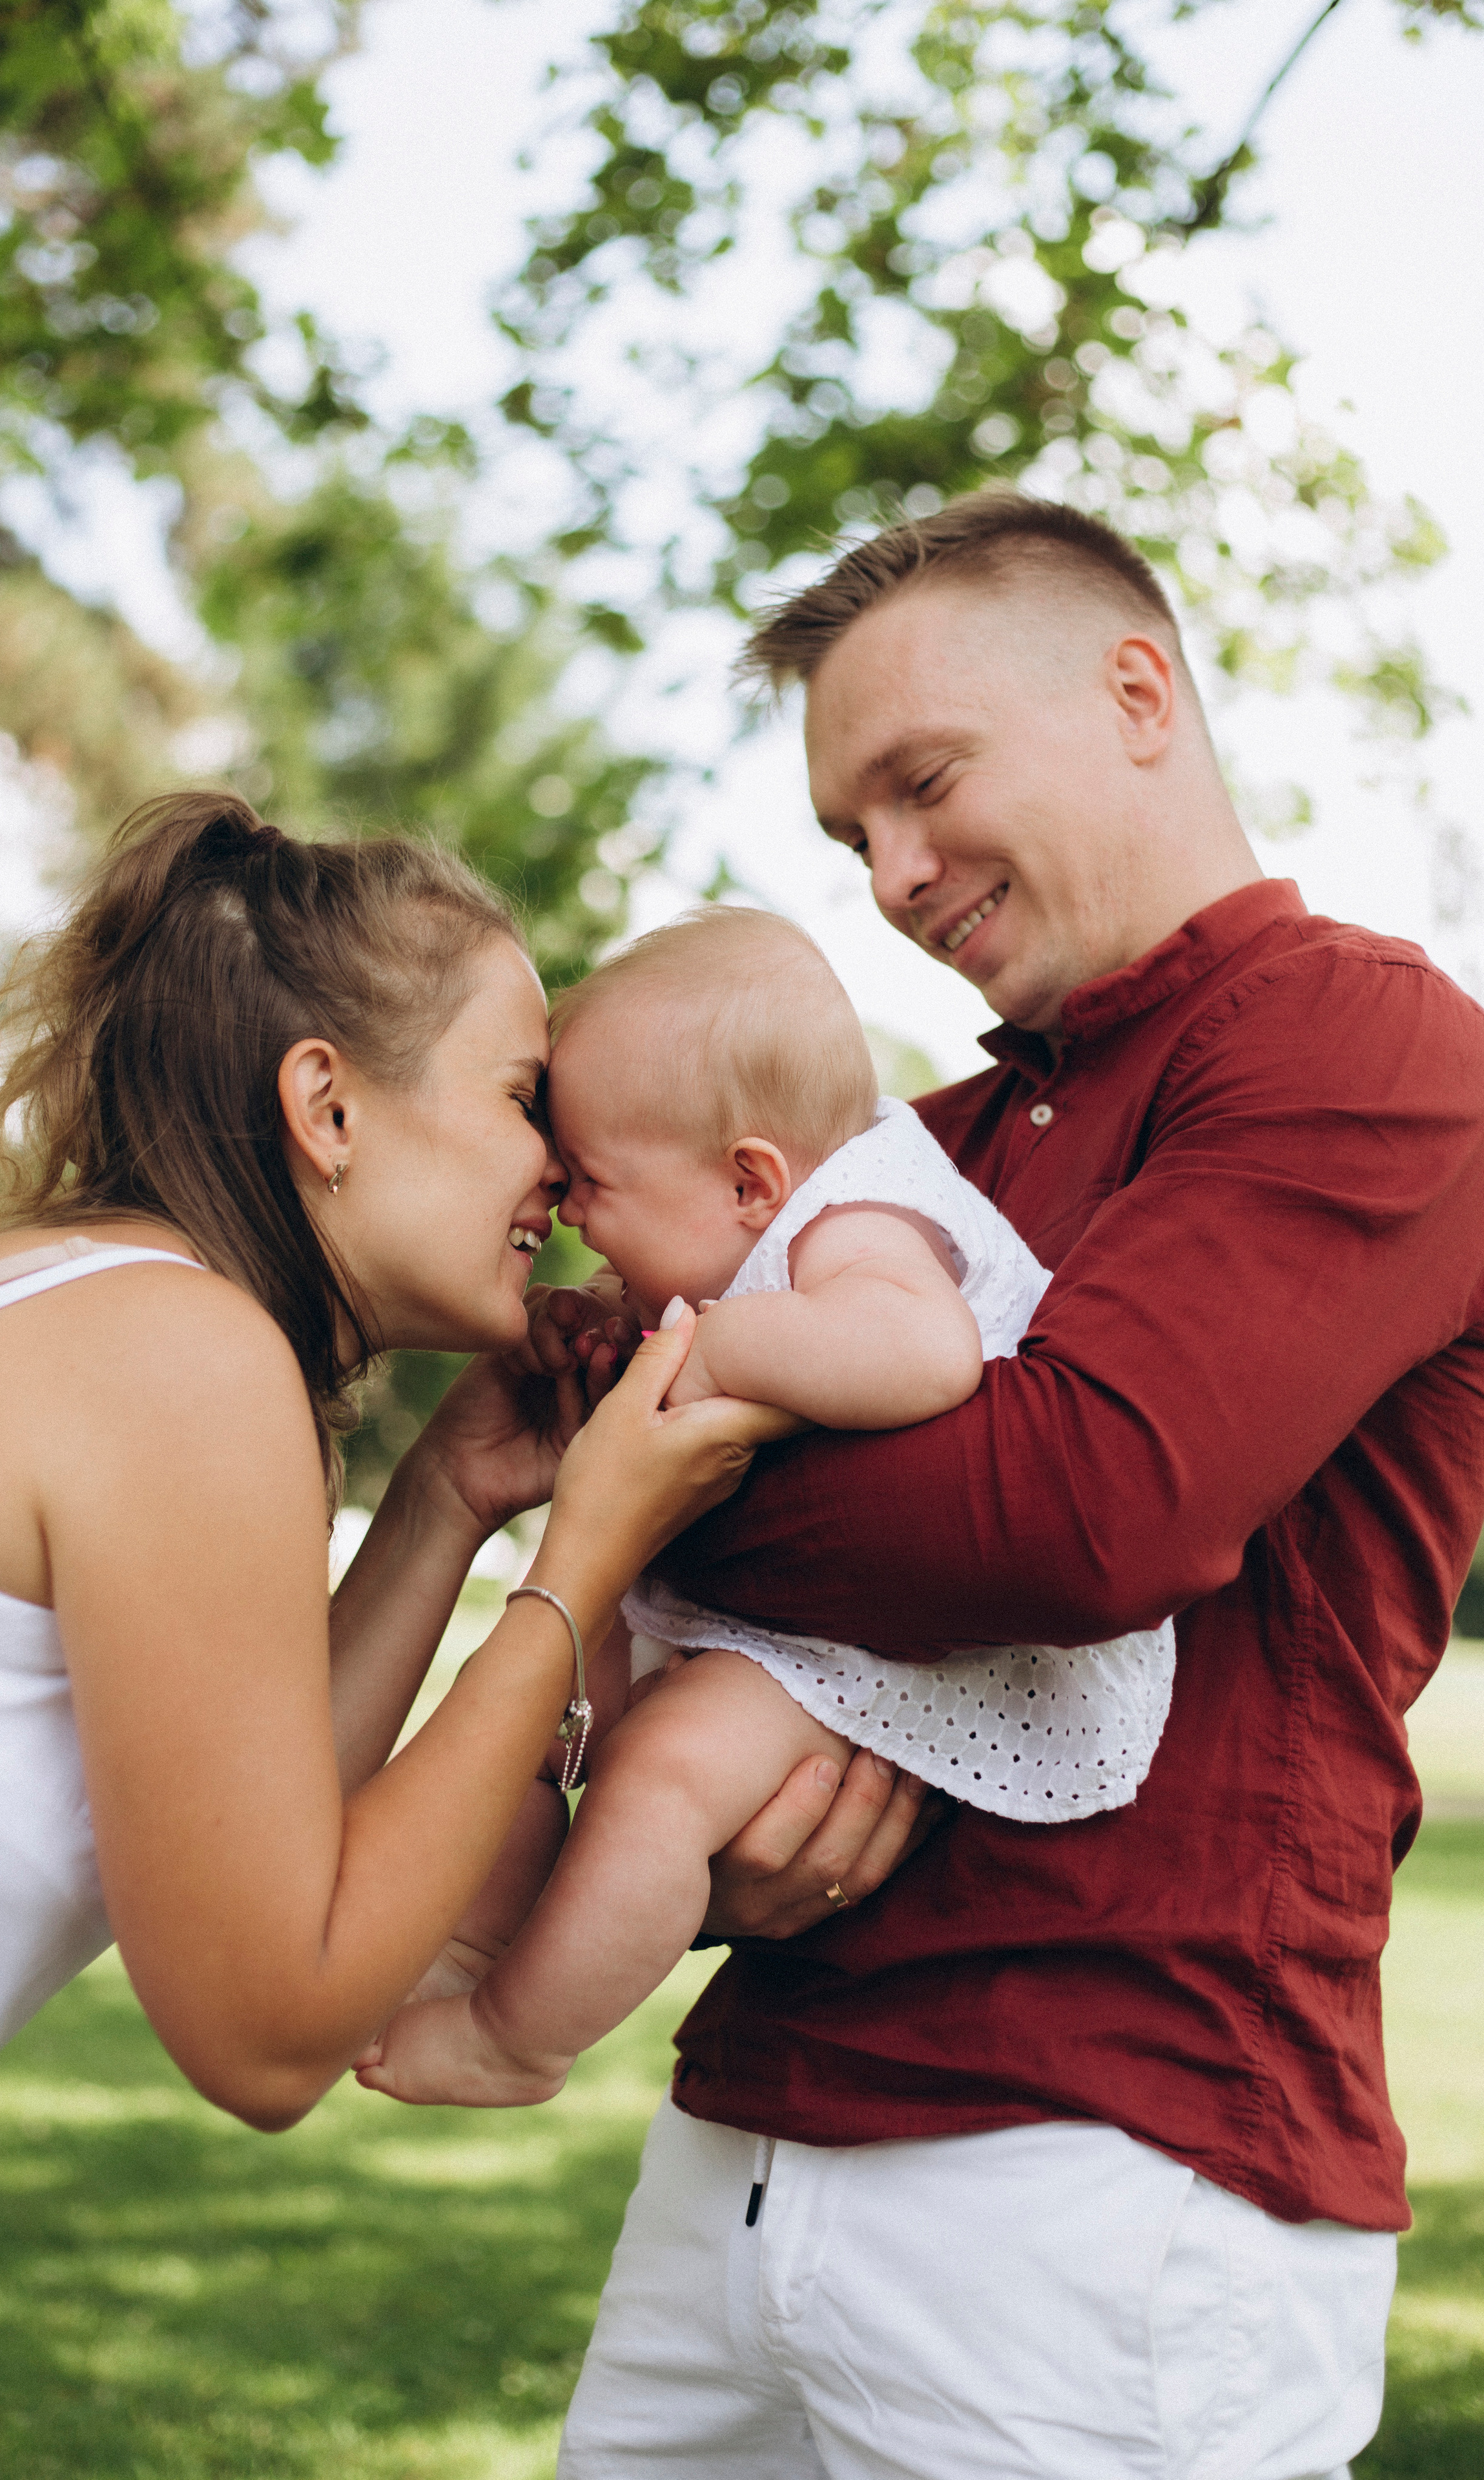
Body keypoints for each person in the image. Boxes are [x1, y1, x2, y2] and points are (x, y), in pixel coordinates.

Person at [544, 493, 1484, 2480]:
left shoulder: (1366, 1045)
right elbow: (601, 1393)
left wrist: (622, 1487)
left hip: (1106, 2163)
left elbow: (1077, 1517)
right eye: (846, 835)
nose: (890, 874)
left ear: (1141, 694)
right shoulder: (926, 1143)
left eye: (925, 781)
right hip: (752, 2132)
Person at [0, 791, 794, 2149]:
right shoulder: (188, 1359)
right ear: (327, 1106)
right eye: (526, 1099)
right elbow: (270, 2031)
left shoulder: (59, 1294)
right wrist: (580, 1563)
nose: (565, 1175)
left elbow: (265, 1860)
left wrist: (444, 1503)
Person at [362, 905, 1174, 2109]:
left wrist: (701, 1351)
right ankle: (472, 1951)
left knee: (657, 1774)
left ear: (752, 1181)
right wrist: (609, 1338)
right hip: (777, 1613)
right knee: (538, 1718)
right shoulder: (738, 1234)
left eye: (592, 1183)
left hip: (896, 1651)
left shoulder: (863, 1224)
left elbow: (925, 1357)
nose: (570, 1212)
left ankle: (520, 2039)